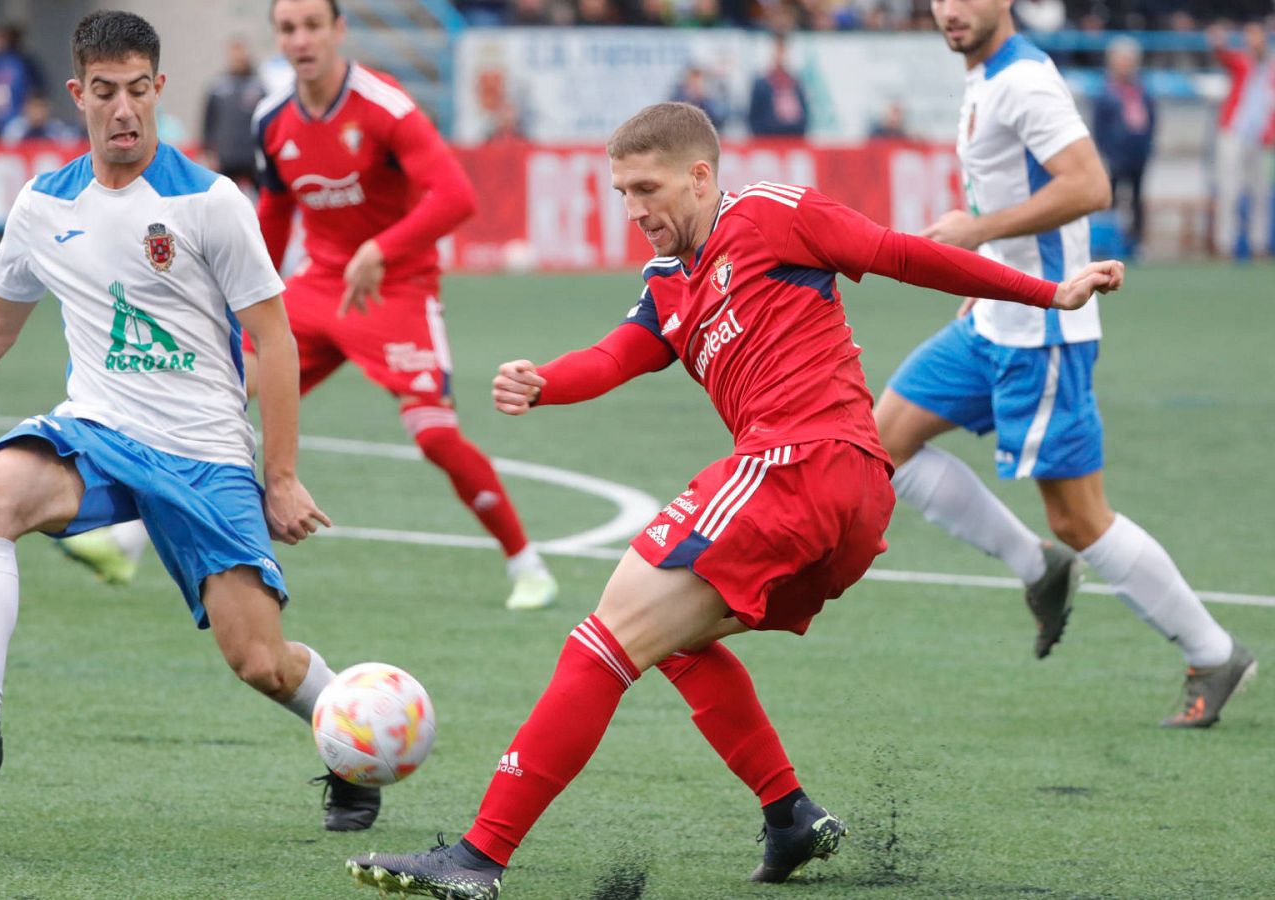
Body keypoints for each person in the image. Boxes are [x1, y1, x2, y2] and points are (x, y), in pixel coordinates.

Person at [341, 101, 1122, 899]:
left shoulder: (771, 215)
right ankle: (788, 813)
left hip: (799, 465)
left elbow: (899, 255)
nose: (634, 209)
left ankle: (479, 857)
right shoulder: (668, 285)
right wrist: (546, 383)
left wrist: (1047, 292)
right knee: (668, 641)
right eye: (621, 193)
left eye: (646, 188)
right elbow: (617, 356)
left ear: (701, 176)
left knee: (600, 643)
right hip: (845, 495)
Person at [0, 9, 385, 834]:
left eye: (137, 91)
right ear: (76, 94)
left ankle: (354, 747)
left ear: (158, 89)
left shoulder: (208, 202)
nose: (123, 110)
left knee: (259, 661)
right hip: (96, 431)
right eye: (104, 93)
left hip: (203, 455)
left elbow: (273, 337)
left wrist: (281, 473)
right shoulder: (45, 204)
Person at [876, 0, 1253, 729]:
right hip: (993, 317)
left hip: (1043, 333)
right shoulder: (985, 76)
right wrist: (988, 270)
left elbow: (1088, 186)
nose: (950, 10)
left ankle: (1213, 652)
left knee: (1079, 518)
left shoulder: (1025, 80)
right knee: (880, 442)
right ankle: (1036, 567)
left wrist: (975, 233)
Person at [250, 0, 557, 611]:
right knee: (218, 392)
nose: (301, 39)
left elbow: (456, 196)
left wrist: (382, 249)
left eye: (313, 25)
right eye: (288, 28)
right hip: (319, 287)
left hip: (399, 289)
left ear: (338, 31)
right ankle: (129, 538)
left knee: (435, 436)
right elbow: (276, 217)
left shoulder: (384, 105)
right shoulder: (271, 120)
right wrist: (248, 298)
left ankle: (529, 567)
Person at [1209, 21, 1274, 258]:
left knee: (1261, 191)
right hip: (1234, 132)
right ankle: (1224, 243)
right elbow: (1224, 56)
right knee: (1230, 189)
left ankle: (1259, 244)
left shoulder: (1270, 67)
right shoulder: (1241, 61)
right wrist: (1218, 41)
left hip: (1260, 137)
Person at [1091, 37, 1155, 255]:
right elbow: (1099, 127)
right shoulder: (1106, 92)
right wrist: (1106, 152)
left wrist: (1147, 146)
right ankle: (1111, 243)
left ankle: (1136, 243)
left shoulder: (1142, 90)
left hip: (1138, 154)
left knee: (1137, 199)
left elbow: (1152, 120)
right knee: (1111, 199)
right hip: (1115, 155)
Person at [200, 36, 264, 190]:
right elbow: (208, 121)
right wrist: (207, 151)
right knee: (225, 195)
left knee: (263, 198)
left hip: (253, 157)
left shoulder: (259, 86)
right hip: (226, 157)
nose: (238, 57)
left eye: (241, 52)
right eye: (234, 53)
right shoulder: (217, 87)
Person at [747, 33, 808, 138]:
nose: (781, 56)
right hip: (768, 139)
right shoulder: (762, 83)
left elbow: (804, 113)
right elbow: (754, 115)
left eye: (783, 52)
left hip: (793, 139)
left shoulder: (795, 82)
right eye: (777, 51)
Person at [1, 92, 81, 143]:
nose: (38, 113)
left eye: (41, 108)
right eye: (35, 107)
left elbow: (68, 148)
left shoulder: (56, 130)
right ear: (26, 108)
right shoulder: (15, 130)